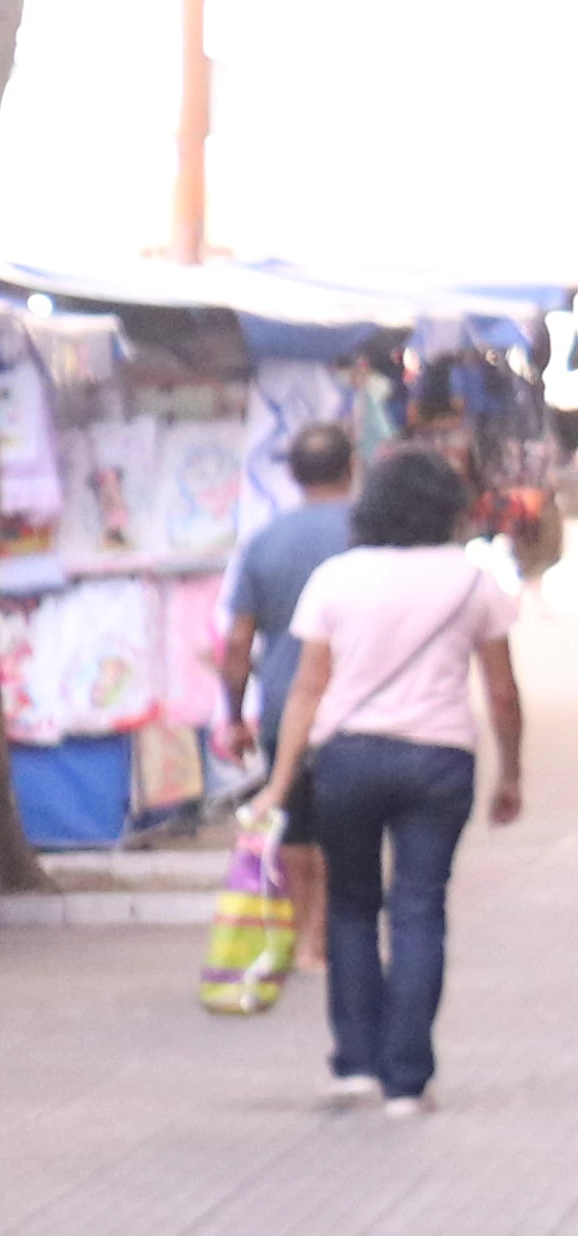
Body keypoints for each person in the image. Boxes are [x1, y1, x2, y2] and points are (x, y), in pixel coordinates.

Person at [250, 443, 531, 1113]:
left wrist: (279, 781)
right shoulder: (474, 581)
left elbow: (307, 689)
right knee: (419, 907)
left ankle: (355, 1061)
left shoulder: (337, 578)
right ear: (449, 507)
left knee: (350, 906)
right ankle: (407, 1080)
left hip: (347, 759)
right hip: (439, 759)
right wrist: (511, 773)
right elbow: (502, 692)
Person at [222, 423, 365, 768]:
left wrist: (235, 719)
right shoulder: (375, 536)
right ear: (352, 467)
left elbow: (238, 642)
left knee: (290, 804)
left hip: (285, 717)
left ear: (292, 474)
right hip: (363, 718)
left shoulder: (263, 543)